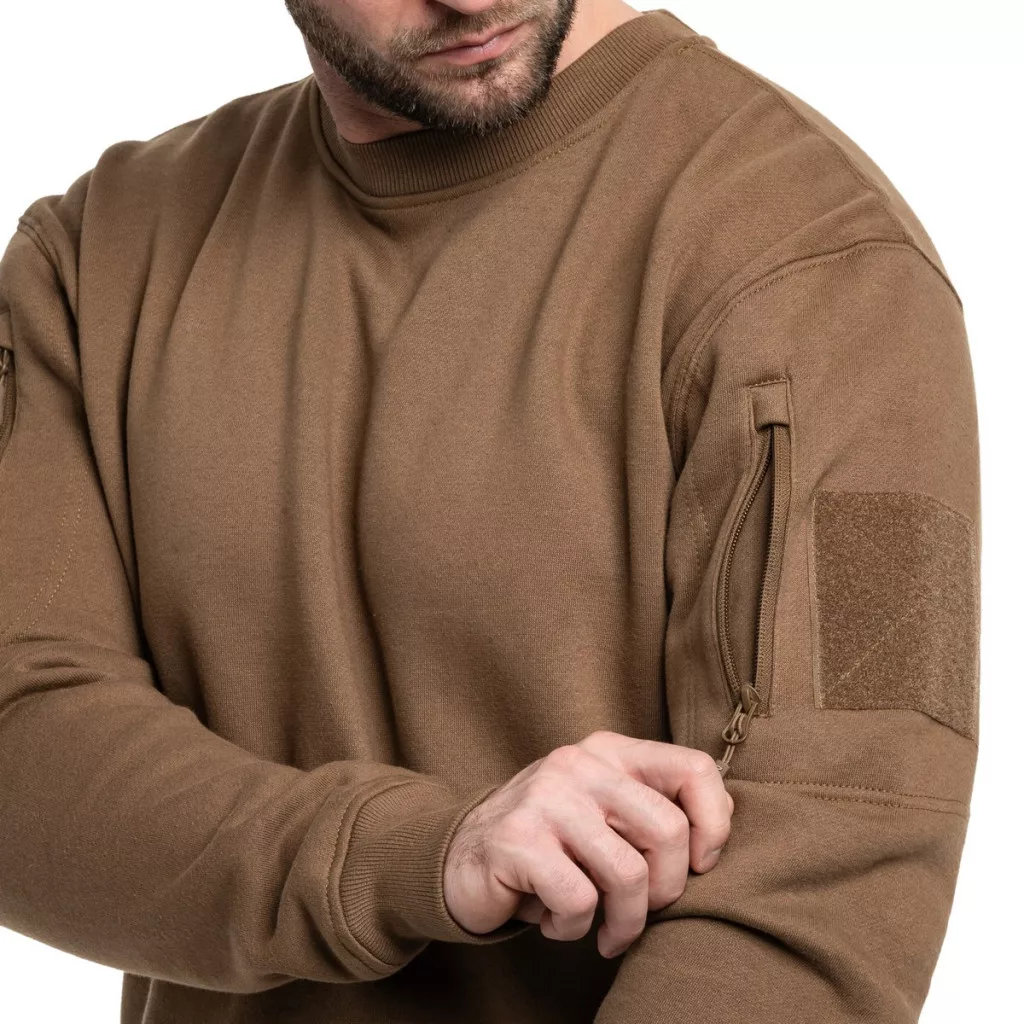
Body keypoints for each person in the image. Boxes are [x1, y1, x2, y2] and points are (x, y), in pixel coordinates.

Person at [0, 1, 979, 1022]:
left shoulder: (825, 258)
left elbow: (832, 877)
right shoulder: (96, 254)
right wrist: (418, 854)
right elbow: (20, 738)